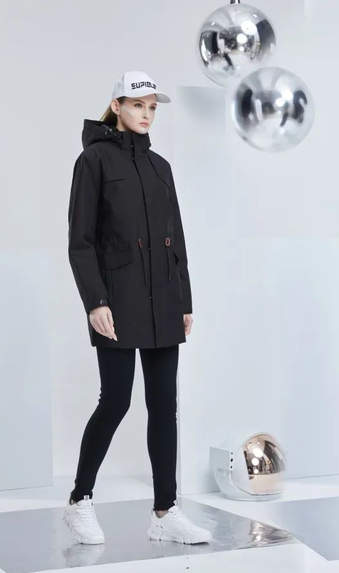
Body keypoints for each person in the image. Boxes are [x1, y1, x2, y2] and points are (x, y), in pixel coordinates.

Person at [63, 70, 212, 545]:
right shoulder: (93, 160)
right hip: (118, 299)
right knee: (116, 400)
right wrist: (95, 301)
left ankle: (165, 512)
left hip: (164, 300)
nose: (147, 114)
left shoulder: (160, 167)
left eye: (151, 107)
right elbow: (81, 241)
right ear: (117, 106)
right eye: (137, 105)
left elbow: (177, 239)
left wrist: (184, 300)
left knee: (164, 405)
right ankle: (80, 500)